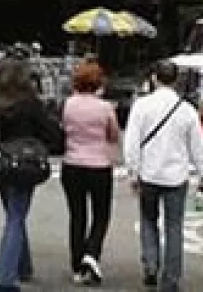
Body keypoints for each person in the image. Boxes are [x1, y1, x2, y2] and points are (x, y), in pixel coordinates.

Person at [0, 59, 63, 292]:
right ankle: (4, 277)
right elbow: (51, 134)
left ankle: (23, 265)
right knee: (16, 216)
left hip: (1, 164)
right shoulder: (31, 104)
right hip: (25, 163)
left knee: (13, 214)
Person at [124, 60, 203, 291]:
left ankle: (151, 264)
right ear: (176, 80)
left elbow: (131, 141)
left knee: (148, 219)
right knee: (174, 226)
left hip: (149, 173)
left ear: (154, 78)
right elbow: (198, 146)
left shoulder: (142, 106)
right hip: (176, 175)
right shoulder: (187, 110)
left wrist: (133, 170)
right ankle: (171, 278)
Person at [60, 60, 120, 285]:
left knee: (77, 216)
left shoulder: (68, 104)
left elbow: (64, 129)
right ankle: (91, 254)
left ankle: (77, 265)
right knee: (101, 214)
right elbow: (113, 134)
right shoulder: (105, 108)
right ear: (98, 83)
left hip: (72, 163)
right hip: (99, 165)